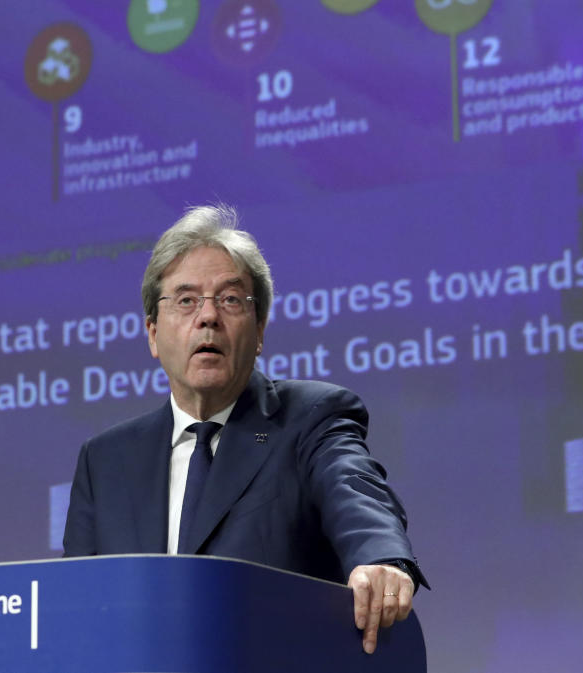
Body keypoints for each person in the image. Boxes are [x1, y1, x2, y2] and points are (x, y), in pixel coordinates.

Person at [63, 204, 428, 655]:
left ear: (259, 332)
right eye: (186, 300)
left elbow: (353, 488)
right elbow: (72, 609)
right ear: (153, 334)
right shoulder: (106, 461)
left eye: (231, 300)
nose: (209, 317)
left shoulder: (311, 417)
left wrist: (379, 558)